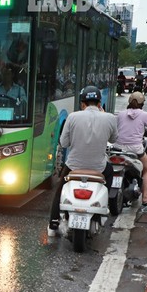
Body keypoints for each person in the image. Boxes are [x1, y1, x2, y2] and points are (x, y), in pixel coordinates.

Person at [48, 86, 117, 236]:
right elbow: (113, 139)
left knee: (59, 189)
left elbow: (63, 143)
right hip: (99, 168)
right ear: (99, 104)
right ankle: (105, 206)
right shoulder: (110, 118)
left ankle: (53, 222)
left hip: (73, 167)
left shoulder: (73, 117)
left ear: (82, 104)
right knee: (110, 171)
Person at [116, 91, 147, 205]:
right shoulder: (144, 115)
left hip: (118, 147)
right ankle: (145, 197)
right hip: (135, 149)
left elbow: (115, 129)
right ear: (142, 103)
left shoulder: (121, 113)